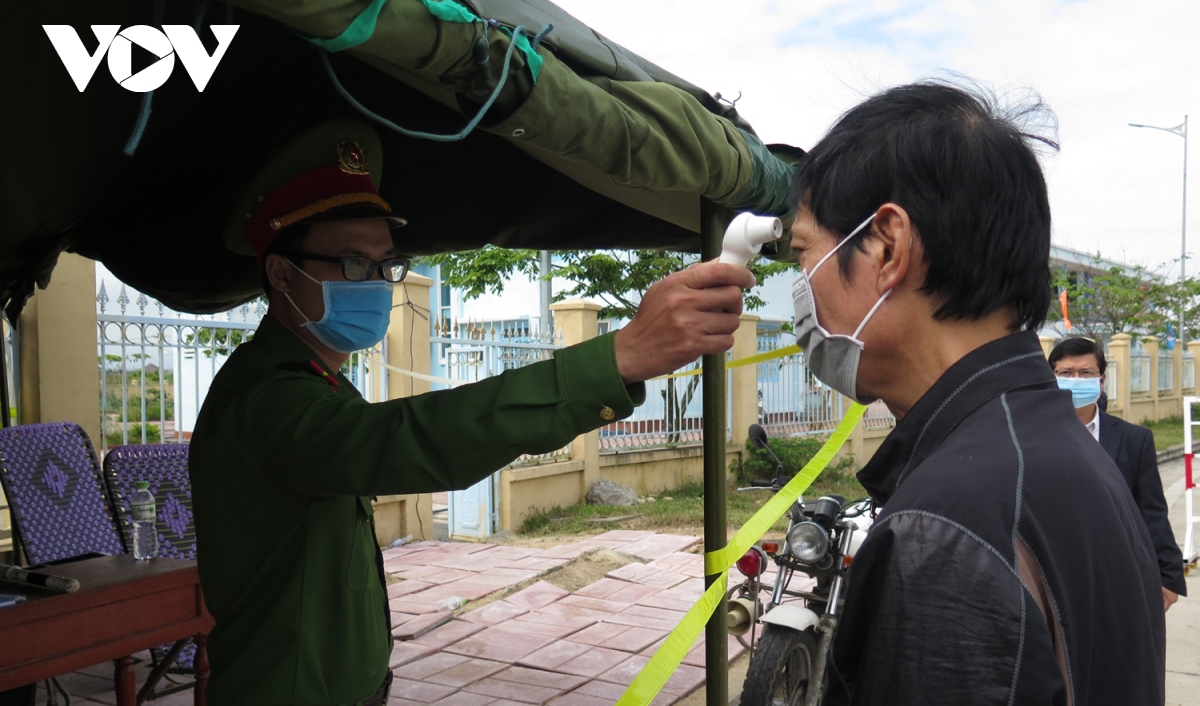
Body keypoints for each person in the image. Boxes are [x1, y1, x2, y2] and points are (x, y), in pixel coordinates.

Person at [188, 119, 755, 705]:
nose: (379, 284)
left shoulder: (319, 382)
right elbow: (412, 440)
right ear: (282, 273)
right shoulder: (266, 398)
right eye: (355, 265)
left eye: (387, 265)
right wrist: (619, 357)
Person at [783, 82, 1164, 705]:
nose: (803, 288)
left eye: (804, 253)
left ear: (887, 247)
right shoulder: (1062, 450)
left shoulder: (943, 527)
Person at [1049, 337, 1187, 611]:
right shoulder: (1029, 438)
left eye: (1086, 373)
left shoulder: (1134, 439)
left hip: (1116, 572)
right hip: (1053, 574)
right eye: (1066, 373)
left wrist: (1168, 575)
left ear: (1100, 381)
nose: (1076, 379)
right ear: (1051, 378)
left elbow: (1151, 510)